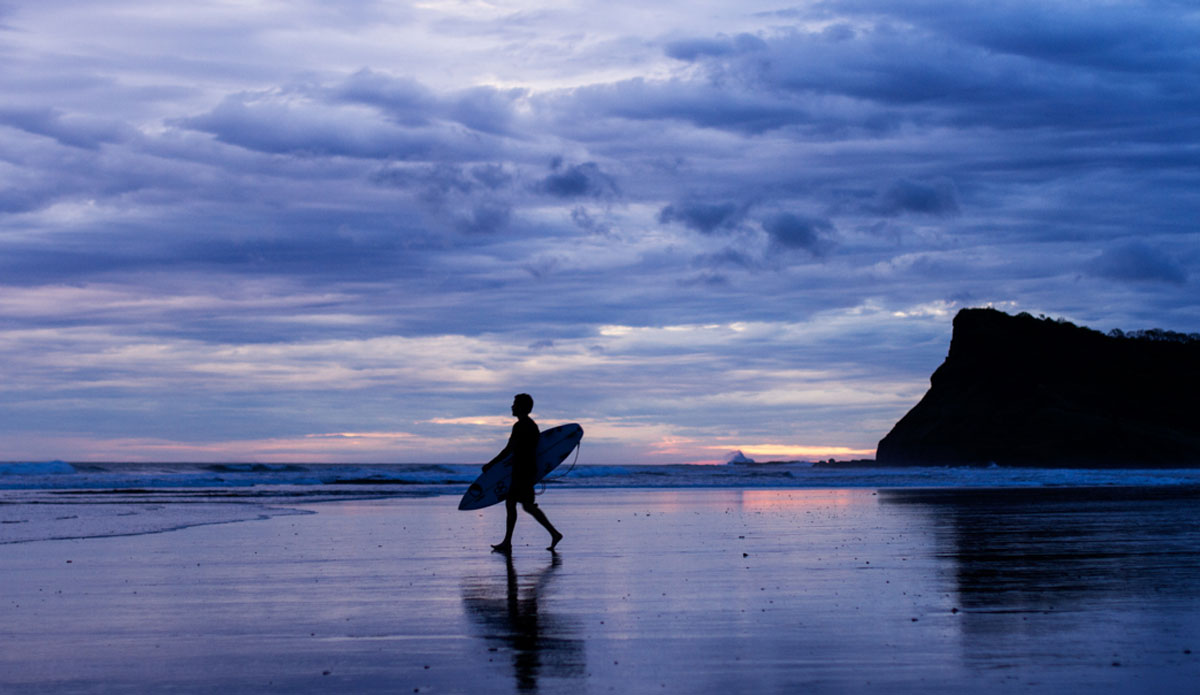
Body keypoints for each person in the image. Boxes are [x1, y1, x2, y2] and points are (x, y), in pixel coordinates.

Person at [486, 393, 563, 553]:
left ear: (522, 407)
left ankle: (508, 542)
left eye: (515, 404)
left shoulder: (521, 426)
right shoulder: (531, 425)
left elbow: (509, 449)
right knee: (525, 505)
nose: (512, 407)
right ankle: (553, 534)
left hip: (522, 471)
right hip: (527, 469)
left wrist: (491, 464)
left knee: (514, 503)